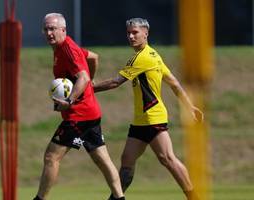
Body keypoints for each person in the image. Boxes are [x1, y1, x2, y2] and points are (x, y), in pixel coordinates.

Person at [93, 18, 203, 200]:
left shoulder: (143, 58)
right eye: (128, 32)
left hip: (153, 118)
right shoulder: (153, 55)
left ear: (146, 33)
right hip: (140, 121)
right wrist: (189, 106)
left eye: (135, 32)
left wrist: (89, 89)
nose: (130, 36)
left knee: (167, 158)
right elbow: (174, 83)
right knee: (127, 161)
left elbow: (115, 82)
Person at [32, 13, 125, 200]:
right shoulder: (65, 48)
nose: (49, 33)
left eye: (53, 29)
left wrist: (70, 100)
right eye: (46, 29)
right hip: (90, 112)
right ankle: (119, 198)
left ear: (63, 30)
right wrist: (88, 87)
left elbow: (83, 77)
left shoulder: (68, 49)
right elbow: (94, 57)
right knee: (101, 158)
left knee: (51, 157)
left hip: (78, 115)